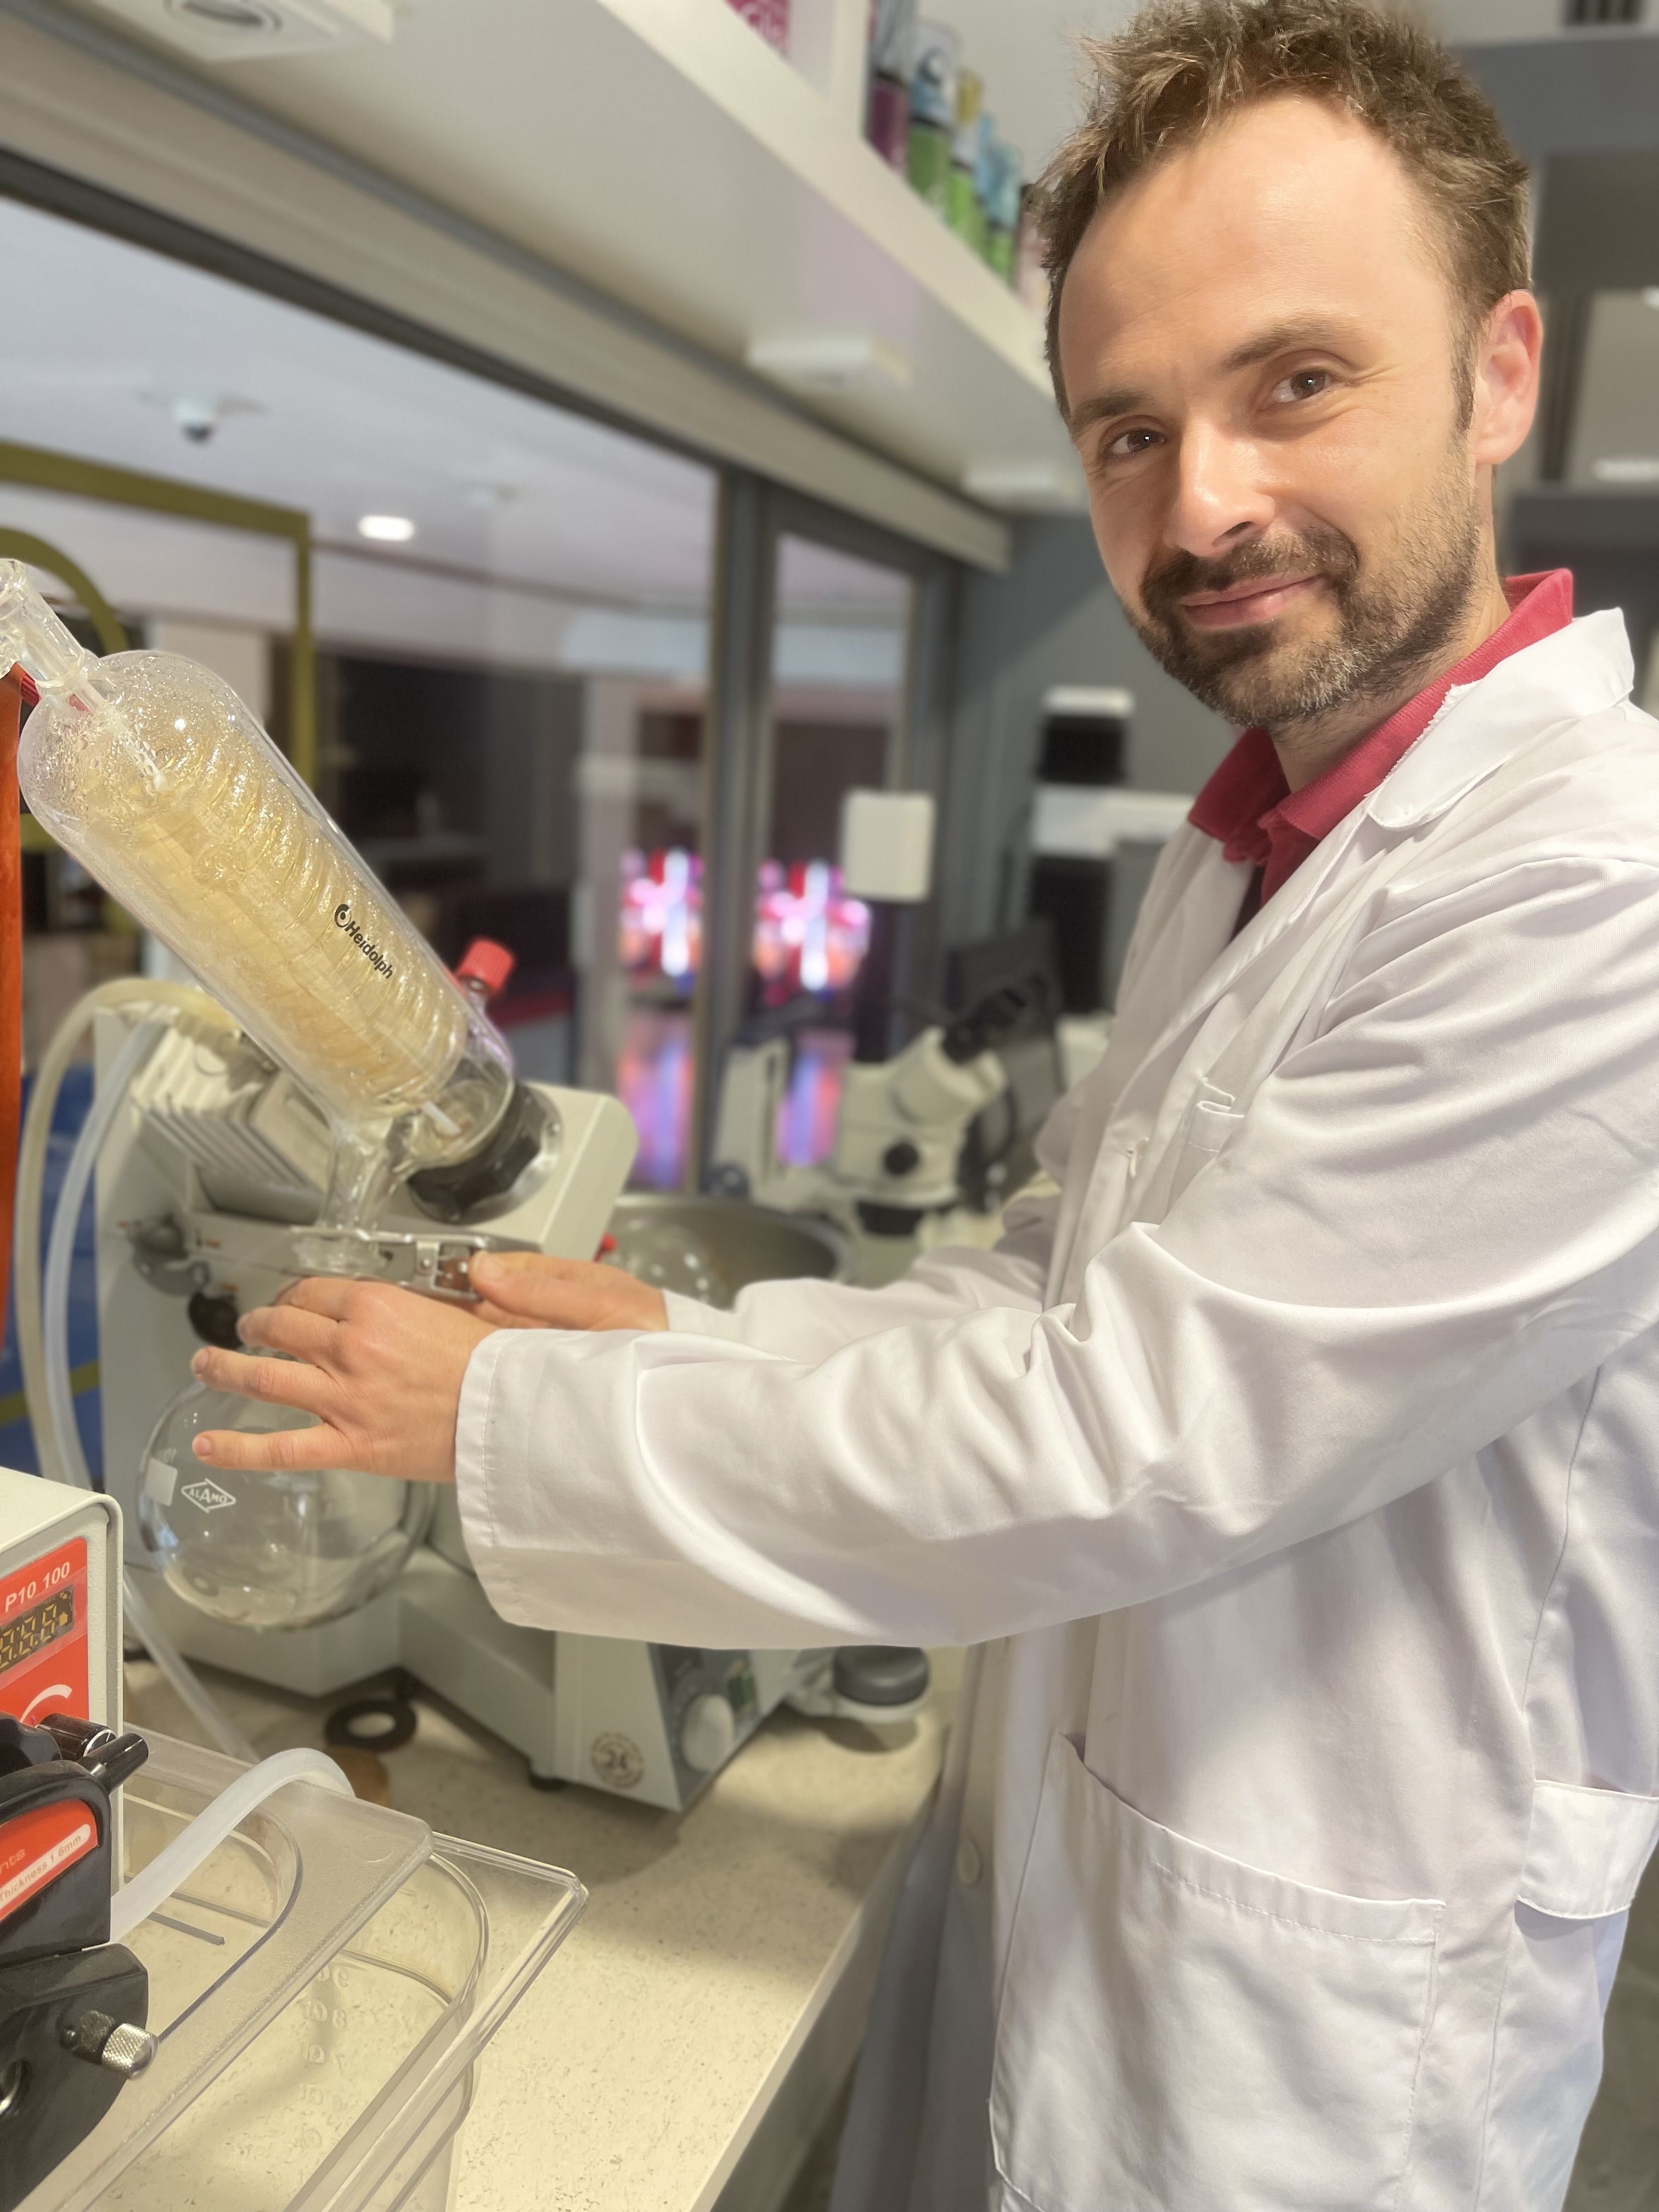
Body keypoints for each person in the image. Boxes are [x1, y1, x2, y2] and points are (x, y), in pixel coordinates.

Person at [189, 3, 1659, 2203]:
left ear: (1502, 370)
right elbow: (1049, 1287)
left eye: (1297, 384)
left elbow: (1119, 1433)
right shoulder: (1254, 846)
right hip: (1097, 1899)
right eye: (1128, 431)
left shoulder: (1595, 897)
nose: (1205, 502)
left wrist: (491, 1421)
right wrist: (671, 1341)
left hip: (1324, 2077)